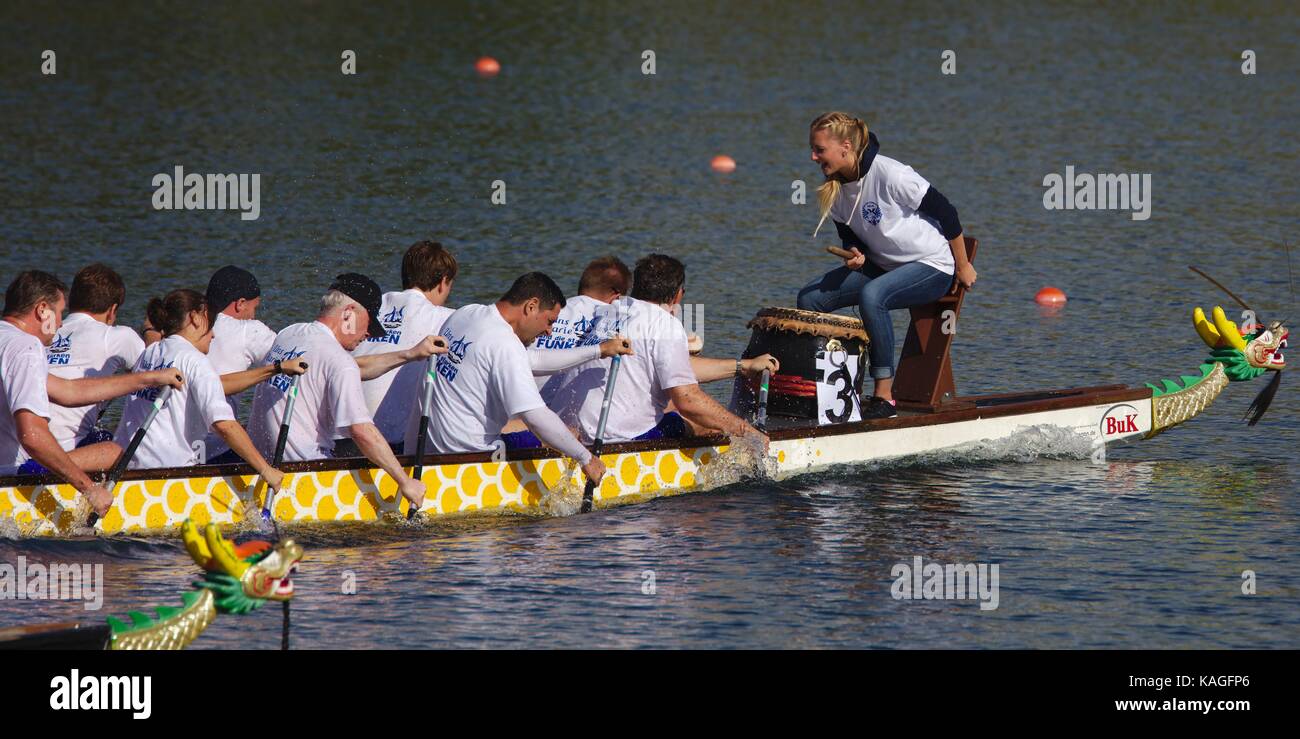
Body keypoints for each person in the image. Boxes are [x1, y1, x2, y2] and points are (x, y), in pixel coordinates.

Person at [796, 111, 976, 419]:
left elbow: (946, 211)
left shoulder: (891, 173)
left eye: (819, 149)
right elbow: (853, 239)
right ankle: (829, 387)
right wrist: (855, 254)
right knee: (809, 299)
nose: (813, 157)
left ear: (846, 147)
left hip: (933, 266)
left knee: (872, 296)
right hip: (883, 266)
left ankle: (883, 395)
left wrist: (962, 265)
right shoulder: (835, 190)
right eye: (813, 149)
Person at [59, 291, 295, 500]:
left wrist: (275, 368)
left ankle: (44, 471)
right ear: (194, 318)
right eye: (210, 325)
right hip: (169, 475)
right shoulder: (195, 361)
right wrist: (266, 471)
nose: (213, 335)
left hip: (129, 464)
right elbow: (224, 425)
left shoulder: (150, 353)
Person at [249, 273, 443, 510]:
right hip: (307, 478)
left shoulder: (291, 333)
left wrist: (410, 354)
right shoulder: (338, 361)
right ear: (349, 313)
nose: (369, 334)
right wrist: (405, 482)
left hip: (262, 466)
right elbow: (361, 430)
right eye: (369, 324)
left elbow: (352, 368)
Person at [1, 271, 183, 516]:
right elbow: (33, 436)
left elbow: (69, 391)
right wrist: (89, 489)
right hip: (12, 477)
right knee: (114, 448)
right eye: (58, 313)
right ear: (41, 309)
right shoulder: (26, 347)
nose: (61, 323)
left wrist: (148, 378)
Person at [544, 255, 771, 446]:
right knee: (698, 421)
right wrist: (745, 431)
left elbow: (679, 368)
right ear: (678, 294)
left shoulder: (610, 310)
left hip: (568, 431)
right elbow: (688, 400)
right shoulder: (664, 323)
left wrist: (745, 366)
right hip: (612, 439)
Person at [403, 272, 606, 485]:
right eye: (549, 321)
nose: (549, 331)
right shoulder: (505, 344)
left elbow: (533, 360)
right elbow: (535, 416)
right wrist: (586, 458)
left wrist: (599, 350)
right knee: (567, 435)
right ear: (531, 306)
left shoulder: (467, 313)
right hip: (472, 463)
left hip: (424, 451)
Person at [351, 240, 458, 449]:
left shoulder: (372, 306)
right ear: (443, 282)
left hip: (345, 435)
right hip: (390, 443)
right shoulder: (444, 317)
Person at [44, 264, 145, 450]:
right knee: (109, 440)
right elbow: (154, 375)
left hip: (28, 441)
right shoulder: (118, 336)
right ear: (112, 310)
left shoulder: (45, 334)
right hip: (66, 450)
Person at [201, 265, 278, 463]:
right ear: (240, 304)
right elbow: (290, 356)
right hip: (215, 448)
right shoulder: (247, 329)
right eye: (255, 307)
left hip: (176, 444)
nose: (254, 315)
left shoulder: (186, 321)